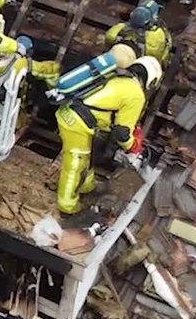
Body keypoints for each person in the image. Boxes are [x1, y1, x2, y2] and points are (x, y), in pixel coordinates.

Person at [54, 56, 162, 216]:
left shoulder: (119, 78)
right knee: (76, 163)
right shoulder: (136, 95)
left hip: (71, 112)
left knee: (86, 157)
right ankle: (67, 207)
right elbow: (122, 132)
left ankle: (87, 186)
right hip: (77, 122)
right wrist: (132, 148)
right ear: (151, 82)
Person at [105, 0, 172, 67]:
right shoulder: (156, 36)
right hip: (135, 68)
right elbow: (158, 58)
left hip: (110, 60)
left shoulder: (118, 29)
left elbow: (108, 41)